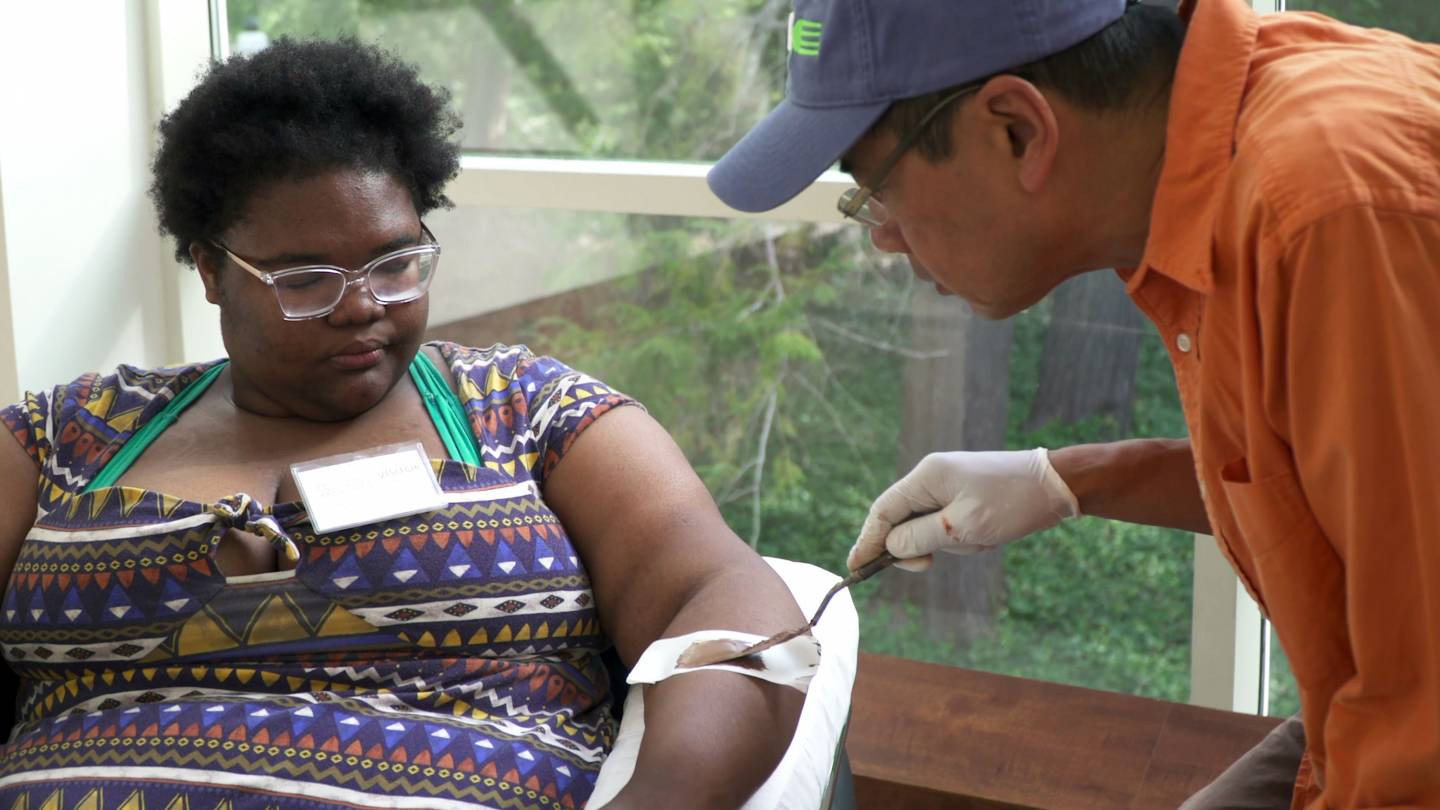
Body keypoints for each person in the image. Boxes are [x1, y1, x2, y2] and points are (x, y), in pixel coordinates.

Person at [0, 39, 805, 810]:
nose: (361, 307)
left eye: (395, 264)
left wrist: (660, 800)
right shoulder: (65, 437)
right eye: (307, 280)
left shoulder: (528, 410)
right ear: (211, 269)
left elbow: (715, 591)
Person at [708, 0, 1440, 807]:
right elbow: (1339, 482)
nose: (882, 236)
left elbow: (1418, 733)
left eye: (874, 189)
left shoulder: (1331, 215)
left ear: (1016, 128)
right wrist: (1068, 481)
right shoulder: (1204, 157)